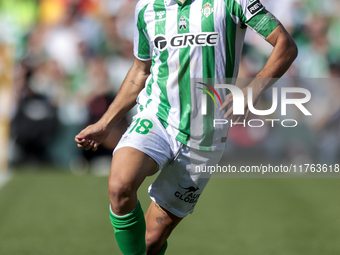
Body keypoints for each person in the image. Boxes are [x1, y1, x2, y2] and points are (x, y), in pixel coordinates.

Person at [75, 0, 298, 254]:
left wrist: (252, 89)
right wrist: (105, 123)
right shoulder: (147, 8)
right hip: (156, 116)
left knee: (151, 241)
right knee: (119, 186)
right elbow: (140, 70)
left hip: (205, 134)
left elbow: (285, 44)